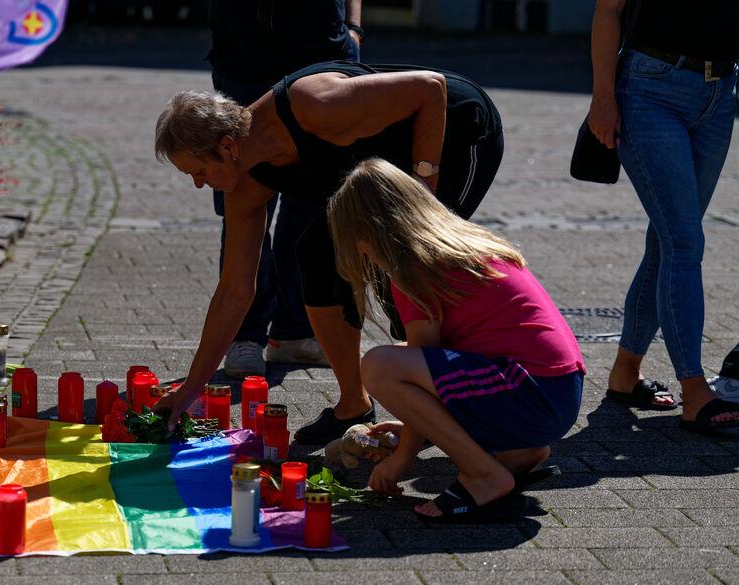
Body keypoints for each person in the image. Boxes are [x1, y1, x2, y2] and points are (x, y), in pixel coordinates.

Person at [153, 60, 503, 443]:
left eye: (198, 172)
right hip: (383, 170)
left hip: (453, 133)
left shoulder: (314, 104)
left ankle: (476, 410)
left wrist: (424, 187)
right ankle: (354, 404)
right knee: (317, 257)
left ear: (227, 146)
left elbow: (430, 88)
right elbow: (235, 289)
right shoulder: (244, 185)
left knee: (414, 274)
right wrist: (189, 390)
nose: (199, 186)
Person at [327, 158, 585, 521]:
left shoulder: (413, 267)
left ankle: (484, 475)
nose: (362, 253)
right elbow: (440, 363)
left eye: (358, 242)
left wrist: (403, 459)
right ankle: (517, 455)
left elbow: (421, 362)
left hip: (531, 392)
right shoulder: (460, 245)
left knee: (380, 365)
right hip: (558, 392)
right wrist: (417, 426)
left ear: (372, 231)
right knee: (402, 358)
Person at [589, 0, 739, 433]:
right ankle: (694, 391)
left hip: (720, 90)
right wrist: (603, 98)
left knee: (667, 240)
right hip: (651, 87)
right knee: (685, 242)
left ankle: (624, 374)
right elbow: (608, 11)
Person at [208, 0, 364, 378]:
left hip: (323, 52)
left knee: (314, 199)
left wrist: (353, 27)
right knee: (243, 197)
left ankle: (293, 332)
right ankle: (246, 335)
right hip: (246, 57)